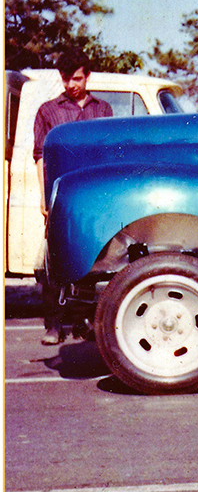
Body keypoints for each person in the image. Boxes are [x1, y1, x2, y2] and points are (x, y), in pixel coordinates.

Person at [33, 50, 113, 345]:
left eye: (76, 78)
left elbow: (106, 152)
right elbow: (40, 156)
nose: (70, 85)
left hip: (92, 196)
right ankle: (54, 326)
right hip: (59, 195)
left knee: (91, 255)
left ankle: (83, 320)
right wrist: (43, 196)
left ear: (87, 76)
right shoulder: (47, 111)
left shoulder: (102, 109)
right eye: (65, 79)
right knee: (54, 259)